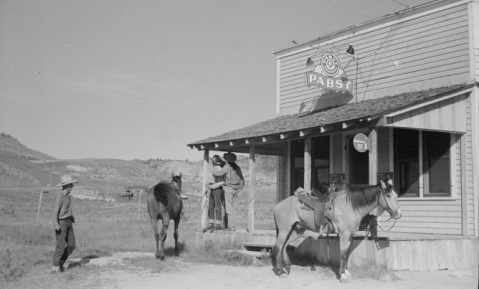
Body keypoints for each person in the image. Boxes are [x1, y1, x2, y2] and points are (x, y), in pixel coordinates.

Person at [51, 175, 78, 273]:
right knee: (60, 246)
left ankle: (61, 263)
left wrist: (72, 217)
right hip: (61, 223)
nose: (73, 186)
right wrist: (55, 224)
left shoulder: (68, 196)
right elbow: (55, 211)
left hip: (68, 222)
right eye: (71, 184)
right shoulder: (60, 196)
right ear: (67, 186)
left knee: (72, 245)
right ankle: (55, 268)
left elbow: (68, 209)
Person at [212, 152, 244, 231]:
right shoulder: (237, 167)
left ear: (227, 159)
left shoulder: (227, 166)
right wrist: (240, 188)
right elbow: (242, 180)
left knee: (229, 208)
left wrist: (214, 172)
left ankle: (230, 226)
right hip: (236, 189)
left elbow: (221, 173)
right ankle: (233, 226)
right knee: (233, 208)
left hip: (229, 189)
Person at [206, 155, 226, 230]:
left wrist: (213, 186)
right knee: (211, 206)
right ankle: (211, 223)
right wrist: (209, 185)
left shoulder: (220, 171)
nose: (214, 165)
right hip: (213, 189)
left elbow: (222, 182)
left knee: (217, 207)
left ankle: (218, 224)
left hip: (218, 189)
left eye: (215, 163)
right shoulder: (215, 171)